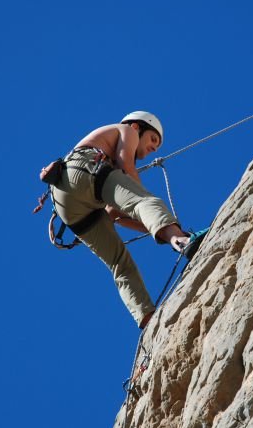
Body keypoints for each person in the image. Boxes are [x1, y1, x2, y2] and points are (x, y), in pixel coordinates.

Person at [50, 111, 191, 329]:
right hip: (84, 170)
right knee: (145, 200)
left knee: (119, 263)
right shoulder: (127, 130)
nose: (154, 147)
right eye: (153, 139)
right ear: (138, 127)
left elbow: (115, 214)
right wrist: (169, 227)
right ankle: (183, 241)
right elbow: (127, 166)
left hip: (67, 205)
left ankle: (148, 320)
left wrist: (158, 228)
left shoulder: (109, 157)